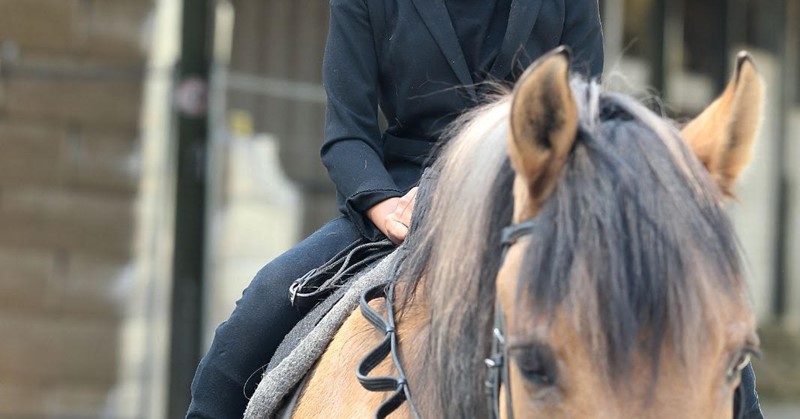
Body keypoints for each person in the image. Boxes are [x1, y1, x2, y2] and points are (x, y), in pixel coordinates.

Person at [186, 1, 759, 418]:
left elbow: (588, 118)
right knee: (260, 306)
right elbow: (347, 134)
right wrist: (381, 203)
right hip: (405, 198)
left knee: (712, 339)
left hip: (536, 187)